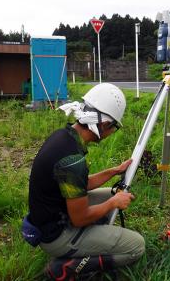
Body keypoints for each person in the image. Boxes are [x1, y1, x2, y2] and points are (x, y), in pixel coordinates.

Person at [25, 83, 145, 280]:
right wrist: (112, 204)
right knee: (136, 247)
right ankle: (66, 267)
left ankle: (91, 239)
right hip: (57, 235)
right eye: (114, 127)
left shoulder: (64, 137)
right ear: (104, 125)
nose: (112, 132)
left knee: (113, 194)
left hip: (52, 216)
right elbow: (79, 218)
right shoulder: (72, 160)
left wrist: (114, 171)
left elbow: (79, 185)